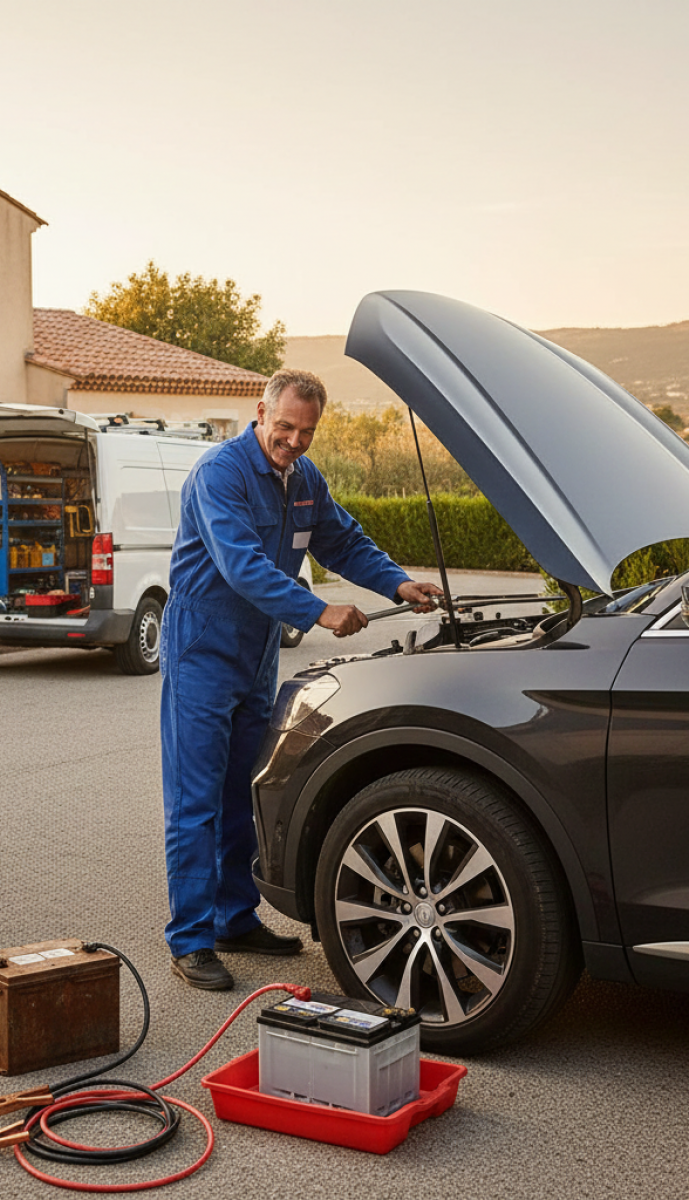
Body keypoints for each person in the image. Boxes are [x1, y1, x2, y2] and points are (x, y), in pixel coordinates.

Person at [162, 368, 442, 990]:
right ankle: (190, 938)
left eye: (306, 432)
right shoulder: (220, 474)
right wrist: (319, 610)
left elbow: (342, 541)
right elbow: (242, 564)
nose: (292, 440)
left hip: (257, 650)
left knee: (244, 795)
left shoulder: (304, 478)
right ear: (260, 411)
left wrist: (398, 581)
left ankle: (236, 918)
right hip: (202, 647)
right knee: (195, 800)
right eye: (284, 426)